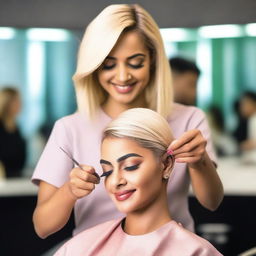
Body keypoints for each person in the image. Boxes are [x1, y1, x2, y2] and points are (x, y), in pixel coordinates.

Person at [32, 4, 223, 243]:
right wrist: (70, 190)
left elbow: (212, 202)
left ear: (153, 61)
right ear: (94, 66)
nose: (122, 76)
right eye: (109, 64)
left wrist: (199, 160)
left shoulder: (189, 119)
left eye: (135, 62)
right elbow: (42, 226)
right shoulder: (69, 128)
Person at [54, 108, 222, 256]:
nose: (115, 181)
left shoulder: (196, 251)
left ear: (166, 164)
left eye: (130, 166)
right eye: (107, 171)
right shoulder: (80, 247)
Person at [0, 87, 27, 178]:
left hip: (15, 177)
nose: (20, 104)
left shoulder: (17, 127)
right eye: (16, 101)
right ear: (7, 103)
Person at [239, 91, 256, 163]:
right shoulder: (252, 119)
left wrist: (248, 144)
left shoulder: (254, 119)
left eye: (244, 104)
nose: (241, 108)